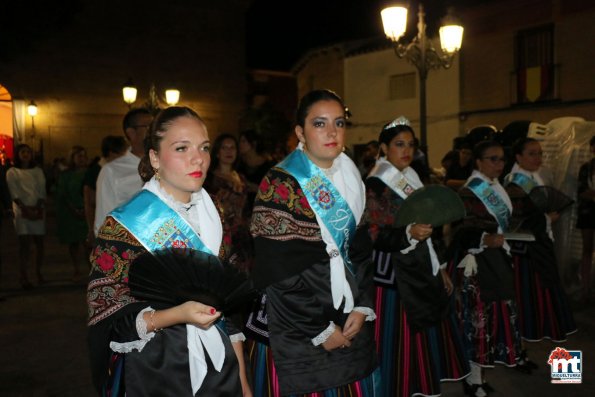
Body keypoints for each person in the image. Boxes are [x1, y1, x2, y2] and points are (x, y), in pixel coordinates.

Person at [87, 106, 252, 396]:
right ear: (154, 157)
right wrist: (177, 314)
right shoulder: (125, 225)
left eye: (204, 147)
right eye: (181, 148)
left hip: (221, 368)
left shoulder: (216, 214)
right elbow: (108, 317)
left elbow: (229, 307)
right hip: (157, 369)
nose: (198, 158)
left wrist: (243, 380)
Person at [248, 89, 379, 396]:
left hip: (348, 307)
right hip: (299, 318)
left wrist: (362, 305)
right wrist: (319, 329)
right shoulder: (280, 183)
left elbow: (360, 250)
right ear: (300, 132)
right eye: (319, 124)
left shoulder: (350, 175)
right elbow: (277, 272)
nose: (332, 131)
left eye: (339, 123)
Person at [364, 116, 469, 397]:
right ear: (384, 148)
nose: (406, 150)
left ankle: (418, 385)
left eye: (410, 144)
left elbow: (430, 231)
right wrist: (408, 232)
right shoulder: (376, 184)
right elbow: (372, 234)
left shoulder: (411, 177)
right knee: (396, 338)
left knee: (420, 335)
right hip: (393, 273)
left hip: (420, 264)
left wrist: (440, 268)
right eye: (399, 144)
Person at [449, 140, 524, 396]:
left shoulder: (498, 188)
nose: (499, 164)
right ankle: (472, 380)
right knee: (478, 323)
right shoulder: (470, 191)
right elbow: (458, 230)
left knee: (492, 322)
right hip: (477, 265)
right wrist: (482, 239)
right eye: (493, 159)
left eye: (502, 159)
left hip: (497, 261)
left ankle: (480, 376)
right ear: (478, 162)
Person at [503, 137, 576, 363]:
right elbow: (517, 217)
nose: (538, 158)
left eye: (540, 153)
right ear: (518, 157)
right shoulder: (515, 182)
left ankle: (522, 349)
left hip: (536, 246)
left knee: (535, 299)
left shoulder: (533, 178)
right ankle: (519, 349)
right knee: (525, 299)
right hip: (524, 250)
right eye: (532, 153)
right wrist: (546, 218)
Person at [93, 108, 153, 235]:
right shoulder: (112, 171)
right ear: (131, 133)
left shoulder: (166, 166)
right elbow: (104, 219)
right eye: (148, 127)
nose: (154, 131)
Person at [204, 133, 253, 275]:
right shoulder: (209, 178)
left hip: (243, 238)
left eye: (232, 148)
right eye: (224, 148)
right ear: (217, 152)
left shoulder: (241, 178)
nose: (229, 151)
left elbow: (247, 209)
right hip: (222, 235)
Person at [6, 144, 46, 288]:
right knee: (24, 245)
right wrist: (25, 208)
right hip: (21, 211)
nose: (26, 154)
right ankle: (23, 275)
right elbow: (14, 192)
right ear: (17, 154)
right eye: (23, 152)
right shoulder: (12, 172)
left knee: (39, 243)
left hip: (37, 208)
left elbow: (42, 189)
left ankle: (38, 272)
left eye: (28, 152)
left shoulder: (38, 171)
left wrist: (38, 206)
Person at [83, 135, 127, 245]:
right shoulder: (96, 171)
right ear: (112, 153)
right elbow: (89, 202)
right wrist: (91, 228)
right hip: (96, 220)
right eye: (124, 153)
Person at [55, 145, 89, 280]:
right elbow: (63, 194)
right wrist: (74, 209)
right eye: (79, 156)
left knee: (88, 244)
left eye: (84, 156)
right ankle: (76, 268)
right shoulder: (66, 175)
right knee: (73, 243)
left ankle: (91, 269)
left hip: (87, 211)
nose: (82, 159)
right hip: (71, 213)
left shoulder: (90, 173)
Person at [236, 129, 275, 214]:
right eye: (239, 141)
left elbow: (275, 191)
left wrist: (257, 188)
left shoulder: (268, 165)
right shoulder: (239, 165)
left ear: (253, 143)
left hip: (264, 209)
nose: (240, 145)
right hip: (244, 210)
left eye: (244, 141)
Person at [576, 135, 595, 303]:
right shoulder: (586, 168)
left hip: (589, 207)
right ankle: (585, 288)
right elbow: (581, 190)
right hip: (588, 212)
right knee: (587, 249)